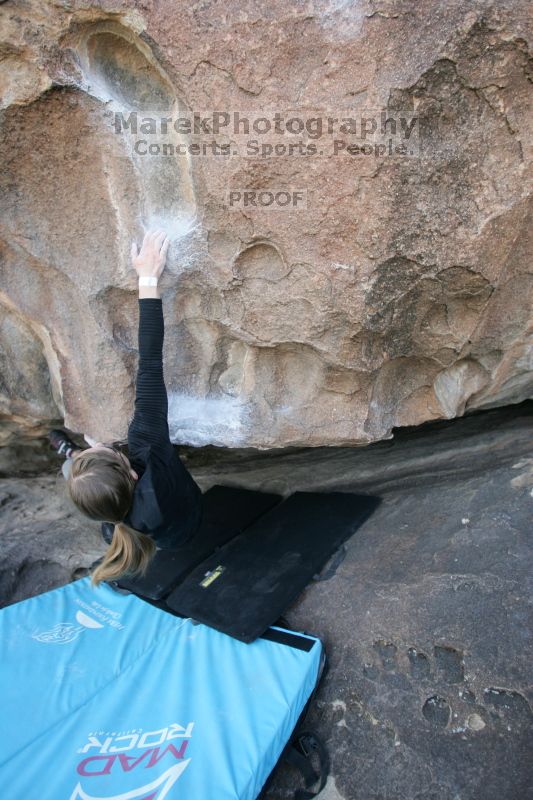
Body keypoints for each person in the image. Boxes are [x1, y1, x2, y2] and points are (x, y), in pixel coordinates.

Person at [49, 229, 203, 588]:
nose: (100, 443)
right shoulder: (149, 447)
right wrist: (148, 277)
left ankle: (69, 453)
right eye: (104, 450)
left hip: (157, 528)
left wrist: (94, 454)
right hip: (188, 517)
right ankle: (71, 455)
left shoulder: (116, 511)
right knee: (76, 472)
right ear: (131, 472)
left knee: (75, 474)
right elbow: (150, 361)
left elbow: (102, 473)